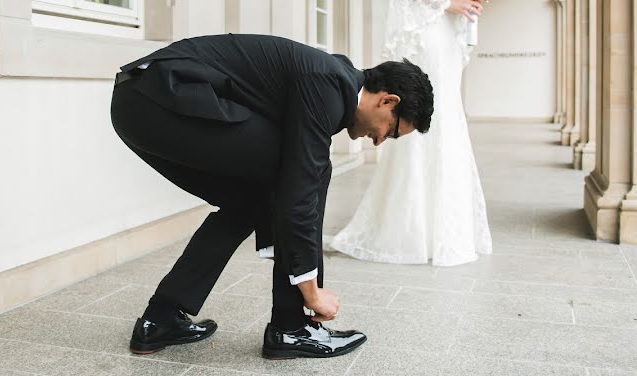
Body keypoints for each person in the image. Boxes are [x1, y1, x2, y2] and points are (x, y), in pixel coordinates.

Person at [110, 33, 434, 359]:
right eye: (391, 131)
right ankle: (292, 327)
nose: (379, 141)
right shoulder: (329, 84)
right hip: (161, 94)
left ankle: (162, 316)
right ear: (387, 101)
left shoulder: (334, 79)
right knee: (309, 171)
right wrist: (312, 291)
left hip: (138, 102)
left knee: (249, 201)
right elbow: (300, 192)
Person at [330, 0, 493, 266]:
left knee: (449, 119)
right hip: (423, 37)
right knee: (424, 119)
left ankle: (448, 228)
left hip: (445, 37)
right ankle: (409, 231)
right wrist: (448, 1)